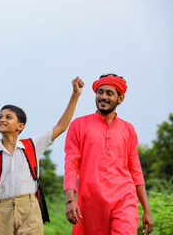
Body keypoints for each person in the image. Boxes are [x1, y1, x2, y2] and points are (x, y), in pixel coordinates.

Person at [0, 77, 84, 235]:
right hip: (2, 211)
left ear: (20, 126)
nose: (1, 119)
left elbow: (61, 126)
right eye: (0, 117)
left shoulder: (32, 145)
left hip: (30, 209)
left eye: (8, 117)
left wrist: (75, 95)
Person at [64, 74, 154, 235]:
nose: (103, 97)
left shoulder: (128, 129)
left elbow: (136, 171)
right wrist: (70, 200)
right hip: (90, 202)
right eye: (100, 92)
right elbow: (71, 164)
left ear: (120, 99)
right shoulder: (78, 125)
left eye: (109, 93)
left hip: (124, 199)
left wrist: (146, 210)